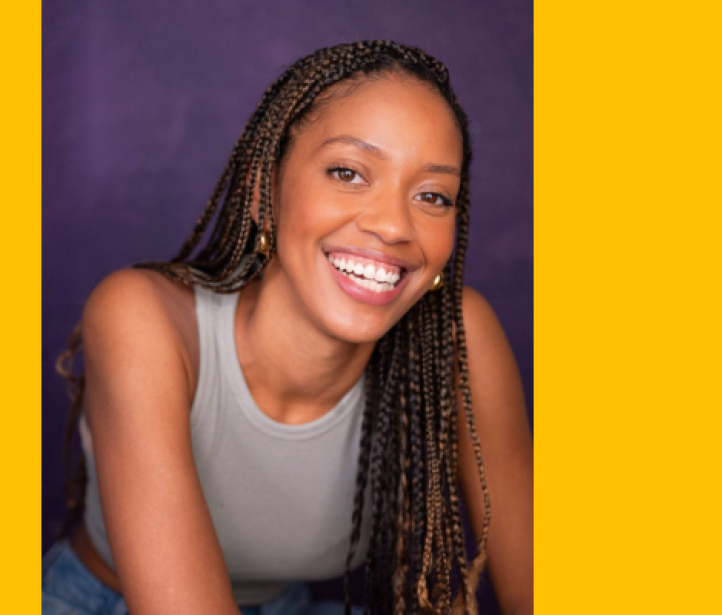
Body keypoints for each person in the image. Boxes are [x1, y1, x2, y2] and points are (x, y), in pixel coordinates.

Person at [43, 40, 533, 615]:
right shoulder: (143, 318)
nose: (395, 225)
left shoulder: (458, 335)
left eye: (432, 195)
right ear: (266, 189)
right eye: (348, 173)